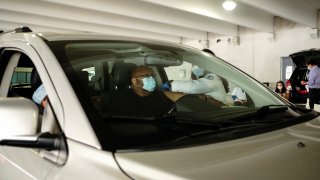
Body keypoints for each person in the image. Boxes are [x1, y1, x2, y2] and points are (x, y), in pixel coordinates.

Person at [111, 66, 184, 117]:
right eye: (146, 76)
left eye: (152, 75)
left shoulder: (160, 95)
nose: (151, 78)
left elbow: (185, 96)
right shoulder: (119, 98)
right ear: (135, 81)